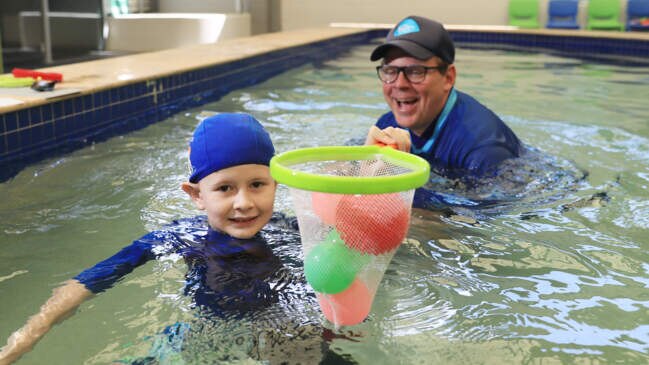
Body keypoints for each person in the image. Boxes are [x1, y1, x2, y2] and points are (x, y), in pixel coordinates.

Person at [0, 113, 337, 365]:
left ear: (275, 184)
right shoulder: (182, 236)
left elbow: (351, 237)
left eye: (257, 185)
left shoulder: (288, 227)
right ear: (196, 195)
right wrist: (30, 332)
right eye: (225, 188)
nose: (244, 202)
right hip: (209, 335)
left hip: (286, 329)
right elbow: (92, 278)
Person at [365, 15, 523, 180]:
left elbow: (491, 204)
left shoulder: (483, 149)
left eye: (416, 71)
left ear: (448, 77)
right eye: (390, 70)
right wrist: (366, 165)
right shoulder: (387, 126)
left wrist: (398, 178)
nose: (399, 84)